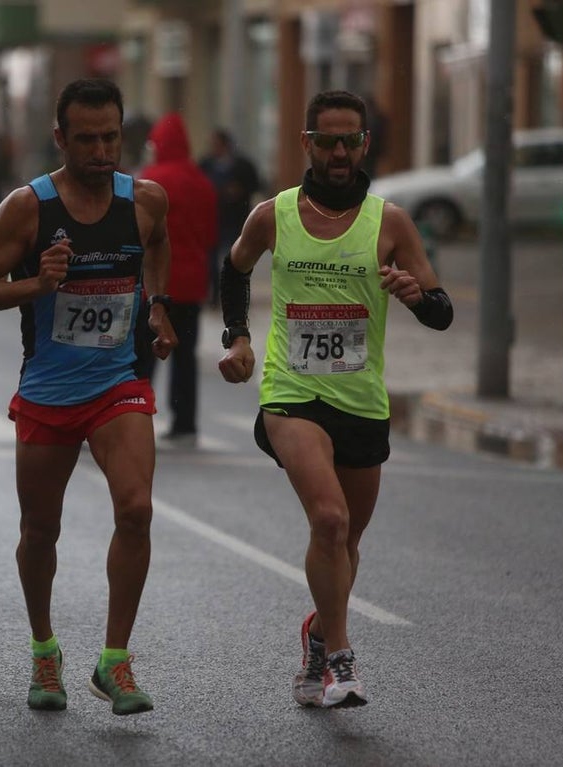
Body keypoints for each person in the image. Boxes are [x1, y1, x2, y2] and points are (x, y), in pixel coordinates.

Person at [218, 90, 453, 708]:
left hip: (361, 399)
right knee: (329, 518)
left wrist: (414, 296)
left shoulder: (391, 222)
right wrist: (238, 337)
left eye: (351, 140)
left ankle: (319, 633)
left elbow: (441, 311)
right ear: (307, 145)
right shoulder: (274, 214)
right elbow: (235, 267)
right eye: (328, 141)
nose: (340, 152)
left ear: (365, 143)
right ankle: (343, 662)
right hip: (292, 393)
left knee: (345, 545)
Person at [0, 78, 177, 716]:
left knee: (135, 509)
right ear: (60, 138)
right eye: (86, 138)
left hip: (117, 382)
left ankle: (114, 660)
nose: (101, 149)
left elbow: (157, 246)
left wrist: (158, 306)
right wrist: (35, 283)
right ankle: (44, 649)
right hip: (50, 390)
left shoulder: (145, 199)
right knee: (40, 529)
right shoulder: (28, 207)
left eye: (111, 136)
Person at [134, 112, 218, 446]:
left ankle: (136, 415)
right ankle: (184, 421)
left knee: (143, 355)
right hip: (191, 283)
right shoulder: (202, 182)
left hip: (155, 284)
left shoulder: (149, 181)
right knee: (185, 356)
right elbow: (211, 234)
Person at [200, 129, 260, 307]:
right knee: (212, 261)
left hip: (236, 220)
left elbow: (254, 184)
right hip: (214, 220)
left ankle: (236, 295)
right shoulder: (206, 164)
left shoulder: (243, 165)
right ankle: (215, 295)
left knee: (235, 259)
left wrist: (239, 191)